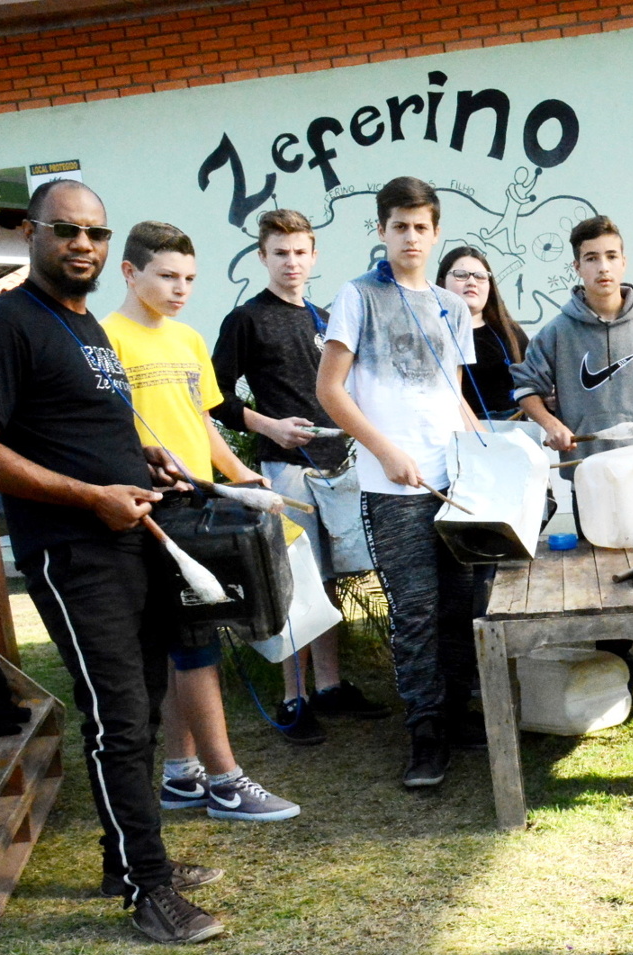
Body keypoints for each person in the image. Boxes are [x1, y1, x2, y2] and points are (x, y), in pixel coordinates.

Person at [0, 180, 224, 942]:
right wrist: (90, 496)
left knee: (141, 704)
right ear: (31, 234)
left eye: (95, 233)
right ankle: (149, 890)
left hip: (132, 539)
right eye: (66, 230)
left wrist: (143, 454)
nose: (82, 244)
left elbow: (81, 423)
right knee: (117, 715)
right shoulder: (4, 326)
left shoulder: (85, 327)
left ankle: (125, 860)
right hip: (73, 551)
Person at [102, 221, 301, 824]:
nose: (180, 288)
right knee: (194, 643)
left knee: (185, 639)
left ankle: (181, 774)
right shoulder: (105, 339)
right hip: (150, 511)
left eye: (188, 278)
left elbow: (203, 420)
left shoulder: (188, 338)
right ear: (130, 272)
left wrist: (240, 475)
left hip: (202, 505)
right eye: (167, 276)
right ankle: (225, 782)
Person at [316, 176, 486, 789]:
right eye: (399, 226)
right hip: (392, 489)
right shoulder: (358, 295)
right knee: (414, 612)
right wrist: (384, 451)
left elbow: (455, 399)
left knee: (460, 606)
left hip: (452, 485)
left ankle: (458, 713)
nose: (411, 237)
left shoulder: (452, 306)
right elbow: (329, 390)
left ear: (436, 233)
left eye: (421, 227)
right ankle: (425, 731)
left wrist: (488, 455)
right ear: (381, 230)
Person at [211, 208, 390, 746]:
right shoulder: (246, 319)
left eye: (299, 252)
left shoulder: (323, 317)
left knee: (330, 580)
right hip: (286, 472)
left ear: (313, 257)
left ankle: (329, 687)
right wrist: (269, 426)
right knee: (294, 586)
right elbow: (214, 397)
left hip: (338, 468)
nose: (291, 262)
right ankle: (294, 698)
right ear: (262, 256)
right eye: (280, 253)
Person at [513, 214, 633, 704]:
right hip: (594, 477)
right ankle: (615, 673)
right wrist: (550, 423)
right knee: (604, 577)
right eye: (591, 259)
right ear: (577, 267)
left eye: (611, 256)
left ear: (624, 261)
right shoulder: (557, 332)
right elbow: (526, 387)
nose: (603, 267)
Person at [437, 244, 529, 420]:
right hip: (455, 428)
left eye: (480, 277)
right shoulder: (430, 332)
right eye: (461, 275)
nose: (471, 282)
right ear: (442, 283)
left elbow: (533, 385)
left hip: (513, 428)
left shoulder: (511, 332)